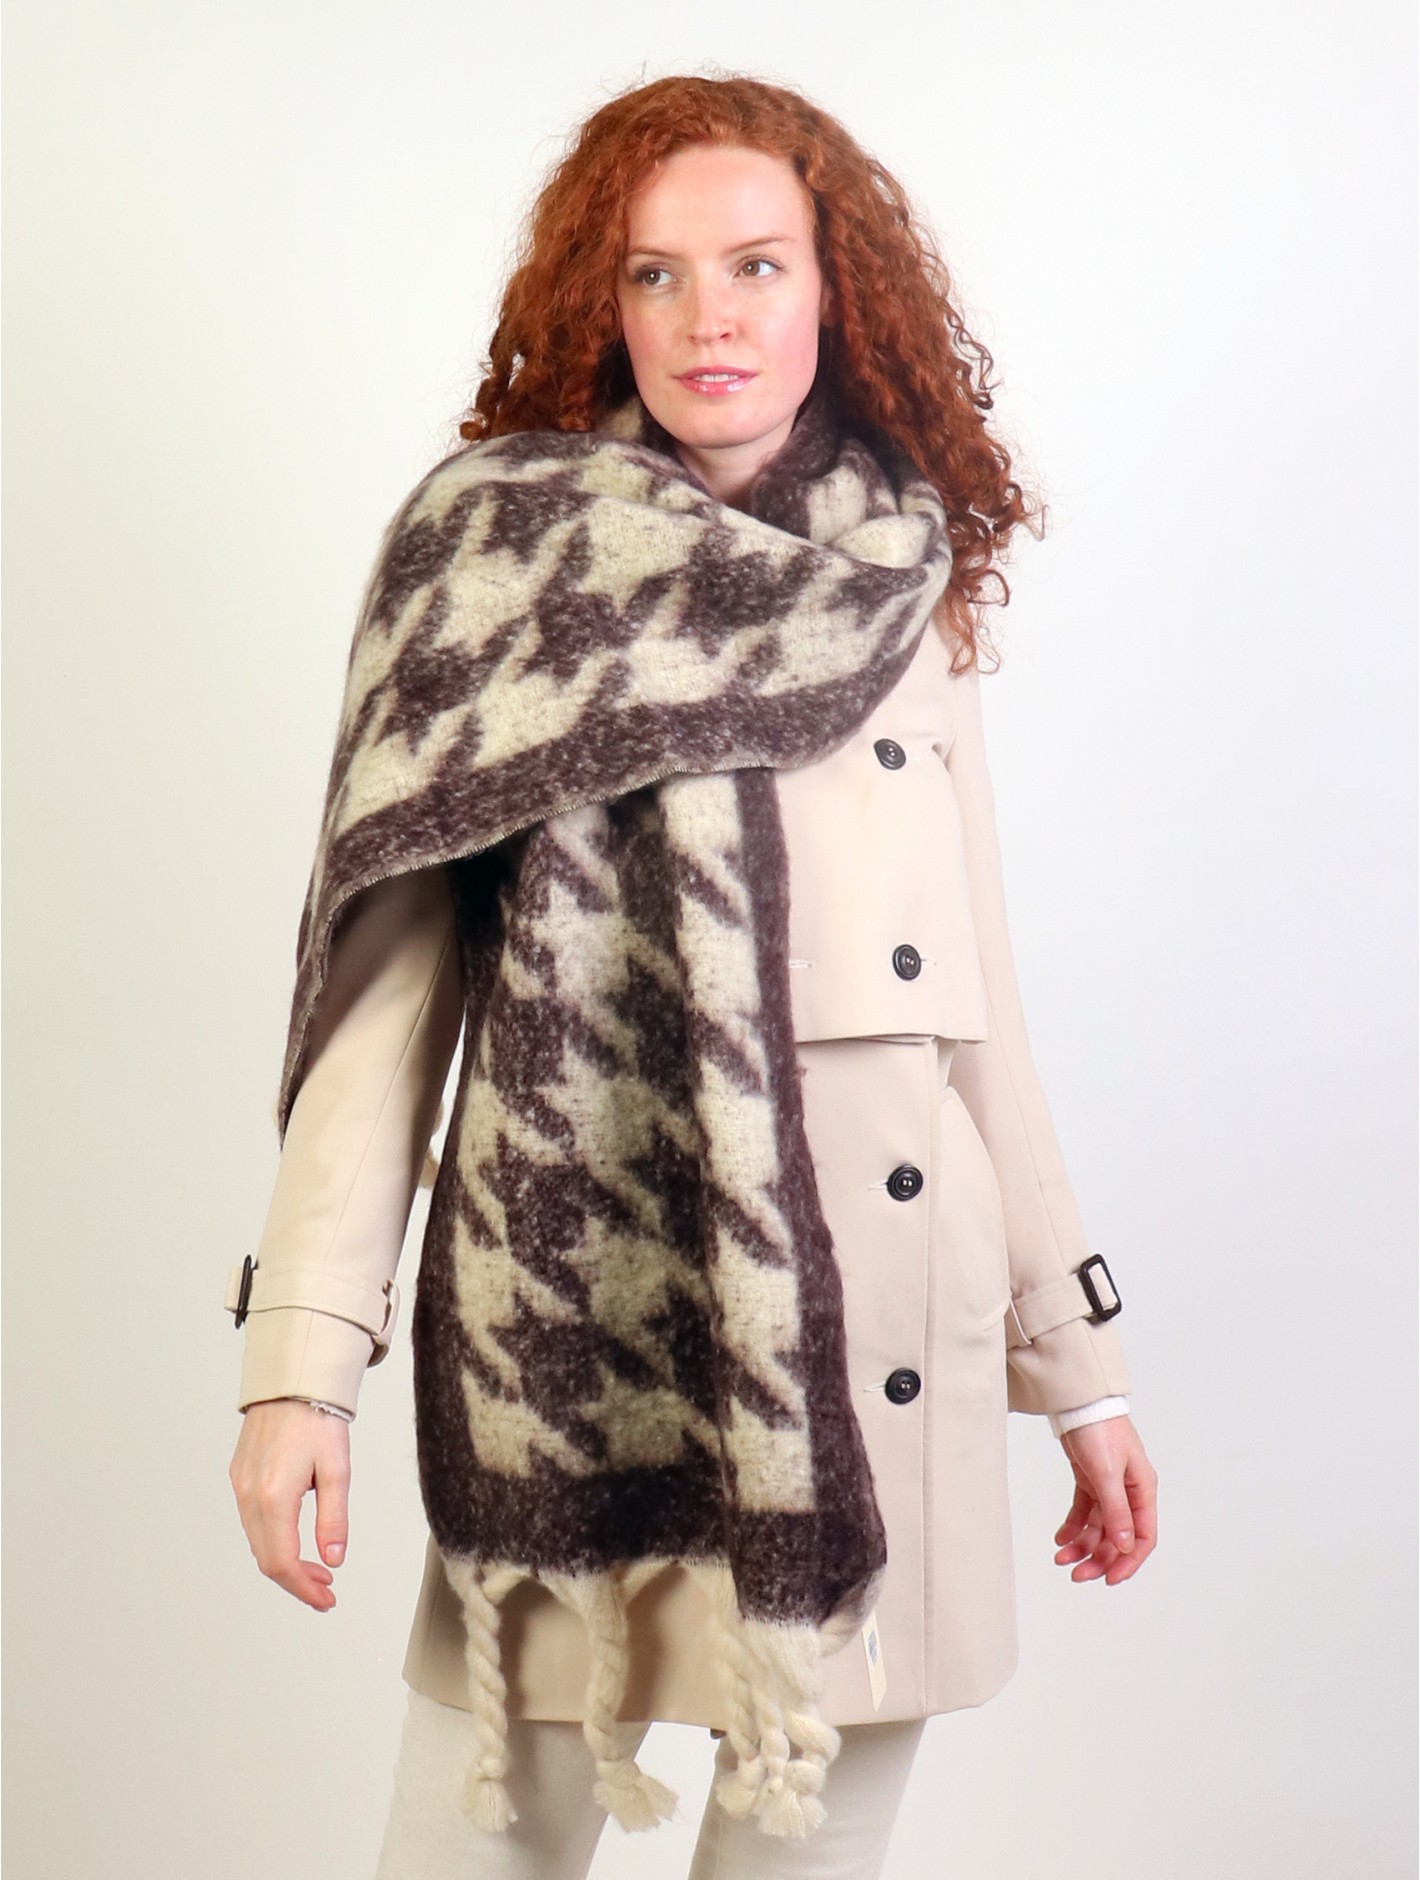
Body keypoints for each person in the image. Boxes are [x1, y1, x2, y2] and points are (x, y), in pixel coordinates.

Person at [226, 71, 1158, 1880]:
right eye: (654, 274)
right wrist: (298, 1371)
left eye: (755, 265)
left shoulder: (899, 584)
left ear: (836, 294)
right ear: (603, 302)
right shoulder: (495, 569)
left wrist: (1083, 1368)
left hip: (881, 1354)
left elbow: (976, 1010)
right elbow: (387, 1020)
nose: (707, 317)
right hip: (578, 1340)